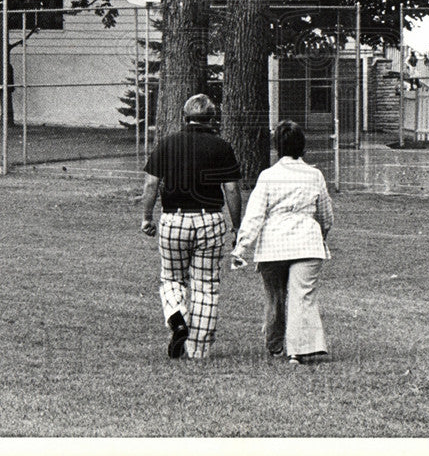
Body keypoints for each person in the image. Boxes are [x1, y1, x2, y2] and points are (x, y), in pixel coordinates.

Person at [140, 94, 241, 359]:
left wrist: (147, 217)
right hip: (209, 220)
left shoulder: (167, 144)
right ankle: (198, 349)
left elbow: (151, 184)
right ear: (212, 118)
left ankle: (177, 316)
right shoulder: (221, 147)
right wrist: (237, 227)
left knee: (172, 278)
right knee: (206, 284)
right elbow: (231, 189)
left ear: (185, 117)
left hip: (174, 218)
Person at [231, 119, 333, 365]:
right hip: (307, 243)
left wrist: (241, 247)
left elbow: (255, 215)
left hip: (273, 244)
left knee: (275, 296)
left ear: (277, 147)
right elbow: (326, 216)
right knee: (302, 296)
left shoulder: (268, 176)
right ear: (303, 147)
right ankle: (298, 350)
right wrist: (320, 237)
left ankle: (276, 345)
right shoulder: (314, 175)